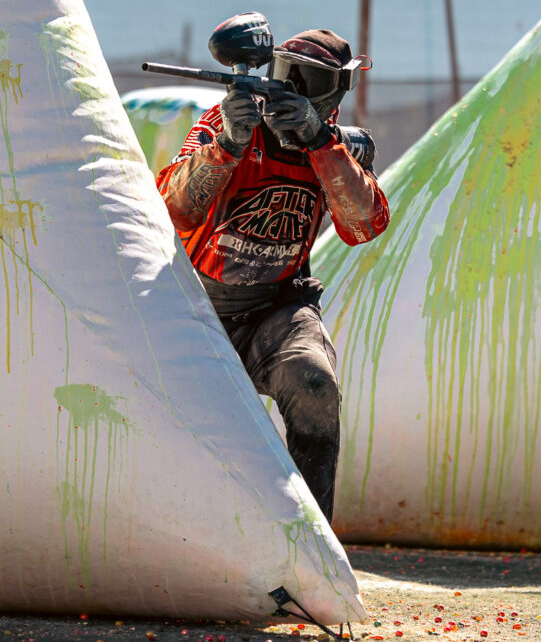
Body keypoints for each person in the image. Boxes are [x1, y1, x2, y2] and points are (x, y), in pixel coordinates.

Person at [155, 28, 390, 522]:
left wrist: (320, 143)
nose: (293, 89)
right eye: (286, 73)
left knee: (314, 384)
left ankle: (310, 545)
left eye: (311, 80)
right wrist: (228, 144)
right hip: (197, 305)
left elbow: (363, 226)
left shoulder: (335, 147)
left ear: (336, 92)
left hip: (278, 309)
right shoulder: (225, 121)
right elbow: (174, 211)